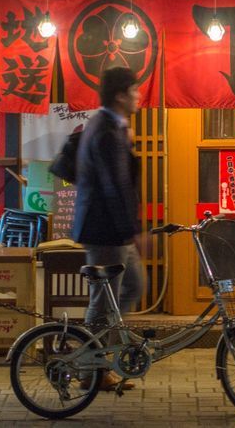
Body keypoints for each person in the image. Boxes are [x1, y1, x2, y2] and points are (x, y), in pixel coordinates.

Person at [71, 66, 146, 390]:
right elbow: (115, 185)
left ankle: (100, 360)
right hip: (105, 231)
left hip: (112, 229)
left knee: (133, 286)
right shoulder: (105, 130)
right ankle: (91, 370)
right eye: (135, 91)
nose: (139, 96)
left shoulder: (112, 126)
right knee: (103, 302)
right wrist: (135, 231)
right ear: (120, 95)